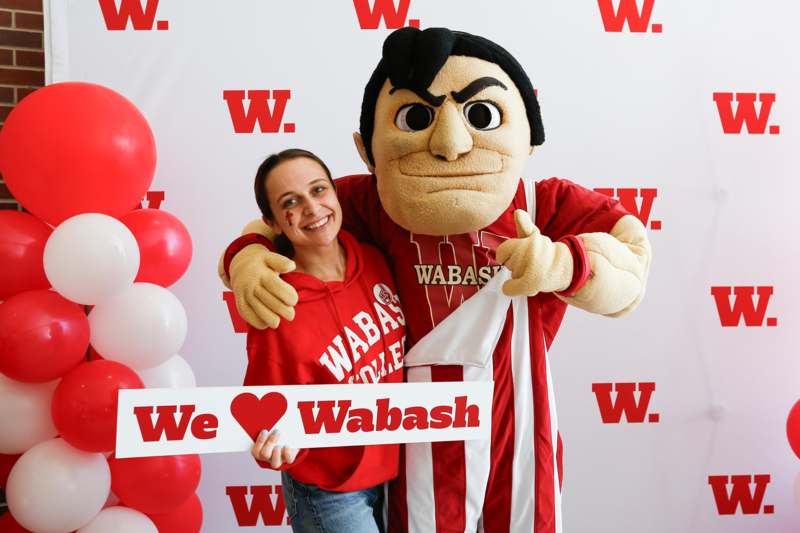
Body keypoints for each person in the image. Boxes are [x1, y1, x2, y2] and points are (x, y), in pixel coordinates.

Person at [222, 28, 652, 533]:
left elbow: (633, 260)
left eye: (480, 115)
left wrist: (568, 264)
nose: (450, 143)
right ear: (368, 150)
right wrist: (246, 257)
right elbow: (290, 218)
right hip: (411, 444)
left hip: (516, 427)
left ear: (528, 133)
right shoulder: (370, 200)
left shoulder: (546, 204)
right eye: (417, 118)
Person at [238, 148, 406, 533]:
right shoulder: (277, 305)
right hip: (330, 492)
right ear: (273, 222)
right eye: (291, 203)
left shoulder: (376, 259)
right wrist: (272, 450)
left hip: (396, 474)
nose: (312, 208)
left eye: (318, 190)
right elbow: (264, 414)